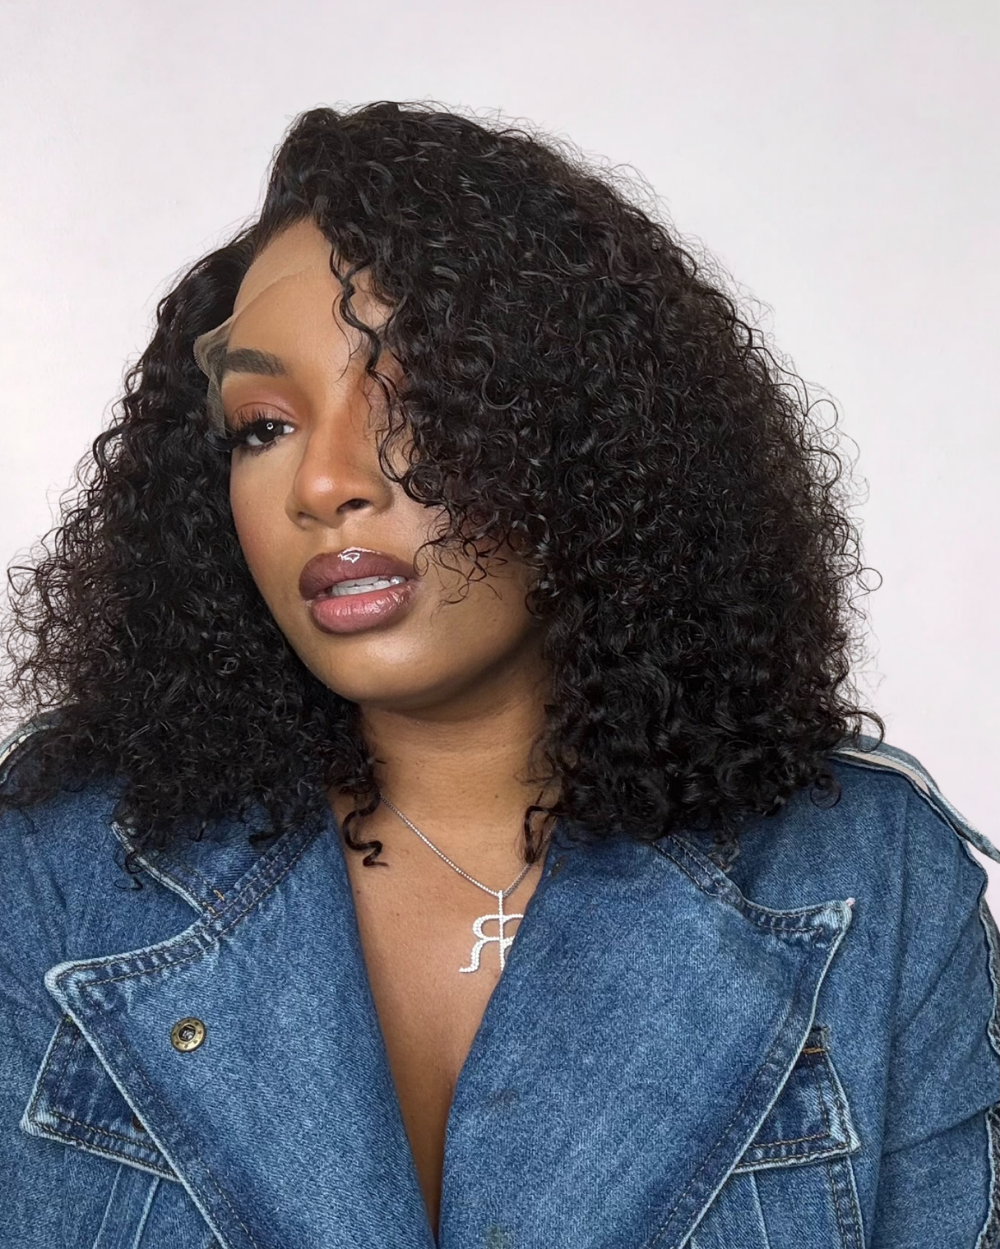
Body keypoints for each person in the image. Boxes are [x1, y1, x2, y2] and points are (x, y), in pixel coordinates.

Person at [0, 101, 996, 1249]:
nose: (323, 483)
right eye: (263, 425)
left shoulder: (869, 872)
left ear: (582, 436)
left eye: (413, 397)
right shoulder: (60, 868)